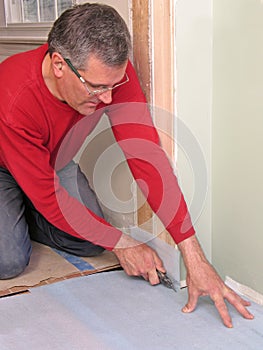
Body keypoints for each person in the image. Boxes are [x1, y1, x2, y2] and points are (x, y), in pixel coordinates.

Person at [0, 3, 253, 327]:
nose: (107, 100)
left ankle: (30, 210)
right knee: (9, 261)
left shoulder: (112, 74)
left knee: (90, 241)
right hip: (6, 167)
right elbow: (49, 195)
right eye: (97, 88)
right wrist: (122, 243)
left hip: (54, 161)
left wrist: (194, 255)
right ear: (59, 64)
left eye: (113, 87)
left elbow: (147, 158)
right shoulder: (12, 94)